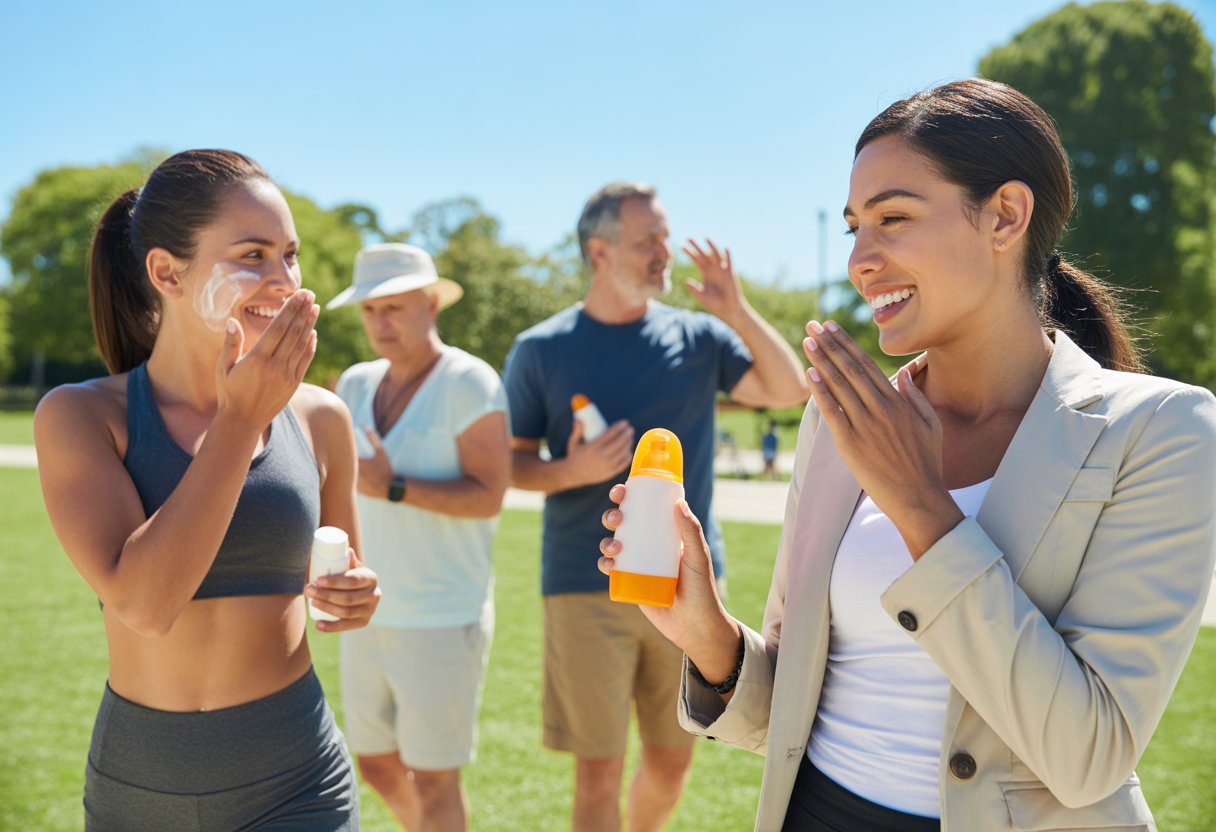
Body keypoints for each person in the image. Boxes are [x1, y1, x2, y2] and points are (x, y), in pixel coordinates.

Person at [598, 79, 1216, 831]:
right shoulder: (839, 423)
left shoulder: (1160, 432)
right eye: (855, 225)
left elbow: (1088, 757)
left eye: (893, 217)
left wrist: (922, 508)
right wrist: (707, 633)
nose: (861, 259)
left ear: (1006, 216)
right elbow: (789, 717)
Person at [33, 149, 381, 831]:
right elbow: (145, 603)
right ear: (166, 272)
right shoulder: (80, 417)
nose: (282, 281)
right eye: (252, 255)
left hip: (299, 778)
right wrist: (240, 420)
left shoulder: (320, 416)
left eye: (290, 255)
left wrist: (354, 596)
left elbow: (338, 594)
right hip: (142, 785)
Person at [503, 182, 809, 830]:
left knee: (672, 766)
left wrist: (738, 310)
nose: (665, 253)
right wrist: (572, 469)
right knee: (598, 774)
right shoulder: (541, 349)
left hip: (689, 587)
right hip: (585, 587)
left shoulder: (700, 339)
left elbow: (789, 388)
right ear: (600, 251)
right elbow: (508, 462)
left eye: (666, 238)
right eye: (649, 241)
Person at [327, 243, 510, 831]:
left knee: (436, 780)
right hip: (365, 613)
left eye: (394, 307)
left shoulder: (468, 381)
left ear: (432, 304)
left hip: (441, 615)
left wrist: (396, 486)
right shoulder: (353, 384)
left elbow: (489, 494)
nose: (380, 322)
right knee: (375, 764)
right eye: (369, 310)